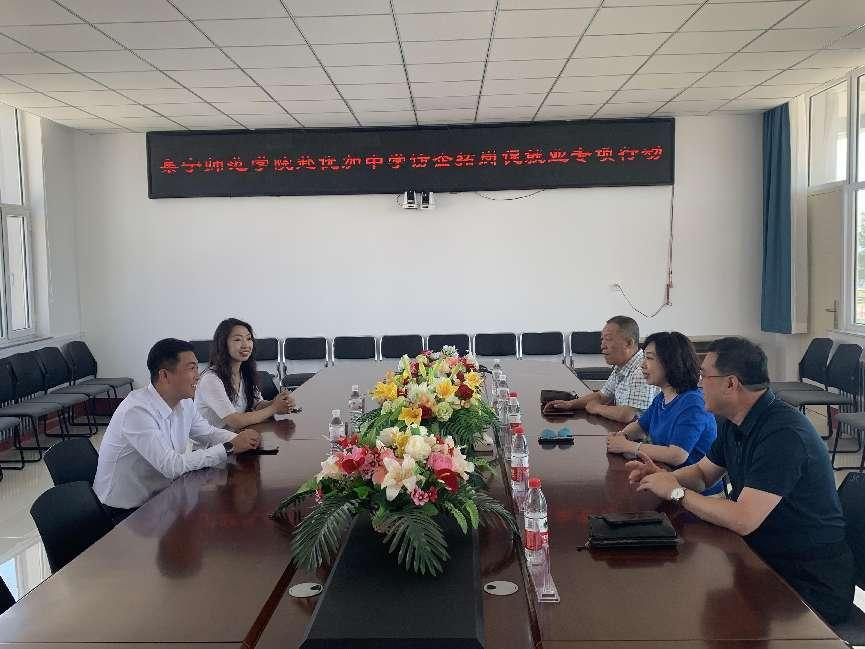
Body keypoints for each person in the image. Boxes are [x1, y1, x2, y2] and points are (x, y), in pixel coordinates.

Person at [627, 337, 854, 624]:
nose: (699, 383)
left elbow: (744, 518)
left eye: (704, 376)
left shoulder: (783, 434)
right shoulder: (735, 421)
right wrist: (663, 477)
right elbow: (702, 474)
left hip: (806, 583)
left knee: (683, 609)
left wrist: (677, 493)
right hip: (763, 556)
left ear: (731, 384)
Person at [93, 338, 261, 523]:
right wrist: (230, 446)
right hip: (125, 511)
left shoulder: (185, 402)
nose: (198, 376)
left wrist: (241, 438)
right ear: (165, 375)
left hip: (161, 499)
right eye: (191, 368)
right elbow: (171, 467)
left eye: (197, 368)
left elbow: (207, 433)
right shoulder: (137, 411)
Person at [606, 331, 721, 495]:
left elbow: (677, 455)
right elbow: (640, 426)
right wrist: (621, 436)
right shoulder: (662, 397)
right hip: (667, 479)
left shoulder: (693, 403)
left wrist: (628, 446)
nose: (642, 365)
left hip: (697, 493)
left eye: (649, 358)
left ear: (671, 362)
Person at [544, 315, 659, 423]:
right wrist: (570, 404)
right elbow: (602, 396)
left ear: (628, 343)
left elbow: (627, 415)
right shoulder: (621, 366)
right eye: (602, 340)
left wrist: (597, 408)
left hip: (642, 435)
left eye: (608, 339)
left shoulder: (641, 370)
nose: (602, 346)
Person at [195, 318, 293, 429]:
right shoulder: (210, 379)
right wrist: (274, 408)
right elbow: (236, 421)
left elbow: (257, 405)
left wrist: (277, 402)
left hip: (239, 435)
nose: (246, 345)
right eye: (238, 340)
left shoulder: (244, 372)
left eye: (248, 338)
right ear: (223, 344)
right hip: (217, 440)